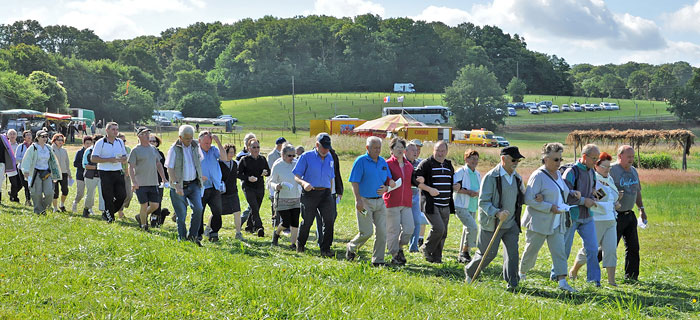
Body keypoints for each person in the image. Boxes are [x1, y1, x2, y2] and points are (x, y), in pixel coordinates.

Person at [518, 143, 580, 292]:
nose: (559, 163)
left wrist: (571, 193)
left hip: (557, 222)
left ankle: (562, 282)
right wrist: (549, 207)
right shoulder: (538, 175)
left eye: (560, 159)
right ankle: (520, 274)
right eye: (555, 159)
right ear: (545, 159)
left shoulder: (558, 174)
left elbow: (560, 192)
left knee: (560, 252)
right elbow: (529, 199)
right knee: (531, 251)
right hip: (539, 222)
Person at [465, 146, 525, 290]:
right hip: (493, 224)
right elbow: (483, 202)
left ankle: (513, 283)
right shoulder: (491, 177)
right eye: (513, 160)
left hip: (511, 224)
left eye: (518, 160)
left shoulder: (517, 178)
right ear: (503, 159)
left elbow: (521, 197)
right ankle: (470, 272)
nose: (516, 163)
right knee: (487, 254)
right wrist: (497, 212)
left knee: (512, 255)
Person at [570, 152, 620, 286]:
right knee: (589, 249)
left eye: (610, 167)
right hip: (596, 219)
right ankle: (574, 271)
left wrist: (615, 203)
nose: (608, 169)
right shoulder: (593, 178)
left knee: (611, 250)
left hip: (611, 219)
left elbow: (610, 197)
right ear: (596, 166)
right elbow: (595, 198)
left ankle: (611, 281)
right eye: (605, 167)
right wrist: (608, 203)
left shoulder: (609, 179)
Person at [346, 137, 394, 266]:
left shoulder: (383, 162)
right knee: (367, 232)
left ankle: (378, 260)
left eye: (379, 148)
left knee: (382, 232)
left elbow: (388, 179)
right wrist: (358, 200)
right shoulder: (360, 161)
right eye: (374, 148)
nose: (377, 150)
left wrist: (386, 187)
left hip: (380, 202)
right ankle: (352, 247)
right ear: (367, 148)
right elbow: (354, 182)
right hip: (365, 202)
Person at [558, 144, 601, 286]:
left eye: (598, 158)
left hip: (588, 217)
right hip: (572, 216)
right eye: (594, 158)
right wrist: (584, 201)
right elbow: (565, 195)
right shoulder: (571, 172)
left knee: (593, 249)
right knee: (564, 249)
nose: (596, 162)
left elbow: (592, 189)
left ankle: (594, 281)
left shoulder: (592, 172)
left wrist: (593, 197)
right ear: (584, 156)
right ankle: (556, 275)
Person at [293, 133, 337, 256]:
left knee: (329, 220)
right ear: (317, 145)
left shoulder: (330, 157)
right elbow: (296, 176)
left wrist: (332, 192)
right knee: (308, 221)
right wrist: (304, 183)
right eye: (324, 147)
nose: (326, 150)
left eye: (328, 147)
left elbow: (331, 177)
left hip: (326, 193)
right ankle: (300, 244)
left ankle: (325, 249)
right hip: (310, 193)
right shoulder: (306, 156)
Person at [415, 140, 456, 264]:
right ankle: (426, 248)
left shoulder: (449, 165)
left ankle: (437, 257)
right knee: (438, 228)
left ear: (446, 152)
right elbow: (415, 180)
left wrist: (457, 185)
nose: (440, 153)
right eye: (437, 150)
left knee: (443, 233)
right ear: (433, 150)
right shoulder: (426, 164)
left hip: (446, 203)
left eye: (443, 151)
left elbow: (452, 180)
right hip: (431, 204)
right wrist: (429, 188)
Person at [610, 145, 645, 282]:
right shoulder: (611, 170)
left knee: (633, 247)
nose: (631, 159)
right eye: (628, 157)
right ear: (620, 156)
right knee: (609, 247)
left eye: (633, 157)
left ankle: (631, 277)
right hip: (616, 215)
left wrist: (641, 208)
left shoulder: (634, 171)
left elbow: (637, 191)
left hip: (630, 215)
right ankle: (590, 264)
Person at [166, 125, 205, 246]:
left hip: (194, 184)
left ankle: (193, 237)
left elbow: (200, 160)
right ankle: (182, 238)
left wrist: (200, 177)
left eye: (191, 138)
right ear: (180, 137)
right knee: (181, 215)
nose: (189, 141)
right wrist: (177, 185)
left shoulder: (195, 146)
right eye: (187, 138)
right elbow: (170, 168)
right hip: (179, 185)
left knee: (198, 209)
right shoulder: (174, 149)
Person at [384, 138, 419, 265]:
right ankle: (394, 255)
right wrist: (388, 182)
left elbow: (412, 181)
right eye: (396, 147)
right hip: (392, 201)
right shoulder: (387, 164)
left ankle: (399, 247)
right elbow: (384, 179)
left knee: (409, 228)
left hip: (406, 202)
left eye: (401, 147)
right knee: (393, 230)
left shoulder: (409, 166)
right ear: (391, 150)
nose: (399, 149)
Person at [128, 127, 167, 232]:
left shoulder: (153, 149)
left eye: (148, 133)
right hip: (140, 183)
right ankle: (144, 225)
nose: (147, 135)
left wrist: (163, 178)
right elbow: (131, 167)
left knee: (155, 205)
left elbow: (158, 164)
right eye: (144, 133)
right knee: (144, 205)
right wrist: (134, 182)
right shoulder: (135, 150)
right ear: (139, 136)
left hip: (153, 182)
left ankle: (141, 216)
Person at [90, 122, 128, 223]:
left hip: (118, 171)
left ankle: (107, 212)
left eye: (117, 129)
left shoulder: (119, 142)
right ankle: (110, 218)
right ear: (107, 130)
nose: (116, 131)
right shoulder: (100, 142)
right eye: (113, 129)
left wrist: (123, 159)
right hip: (105, 172)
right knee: (108, 196)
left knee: (122, 195)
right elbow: (93, 158)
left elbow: (125, 157)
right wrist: (108, 159)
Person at [268, 144, 302, 248]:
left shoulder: (296, 164)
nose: (292, 158)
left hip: (295, 197)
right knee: (286, 222)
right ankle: (277, 233)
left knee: (295, 222)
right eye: (289, 156)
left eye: (293, 155)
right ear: (283, 155)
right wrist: (276, 186)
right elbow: (271, 181)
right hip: (282, 198)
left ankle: (293, 244)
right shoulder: (277, 165)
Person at [20, 130, 62, 214]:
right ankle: (39, 211)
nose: (45, 138)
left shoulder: (48, 148)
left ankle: (43, 207)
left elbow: (53, 161)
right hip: (35, 173)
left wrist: (55, 174)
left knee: (49, 193)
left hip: (46, 173)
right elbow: (26, 160)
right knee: (36, 193)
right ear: (37, 138)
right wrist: (26, 171)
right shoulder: (33, 148)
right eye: (42, 136)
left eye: (46, 136)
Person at [453, 149, 481, 264]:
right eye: (471, 158)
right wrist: (468, 192)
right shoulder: (461, 172)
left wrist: (477, 193)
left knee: (467, 229)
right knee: (473, 227)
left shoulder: (478, 174)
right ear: (466, 159)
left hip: (473, 205)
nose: (474, 161)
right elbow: (455, 187)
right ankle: (465, 252)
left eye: (476, 159)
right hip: (461, 205)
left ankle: (463, 254)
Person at [237, 139, 270, 237]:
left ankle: (249, 226)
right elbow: (238, 173)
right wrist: (248, 178)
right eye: (254, 147)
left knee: (255, 208)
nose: (256, 149)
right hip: (248, 187)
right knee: (254, 206)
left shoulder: (262, 159)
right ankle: (259, 227)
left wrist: (266, 173)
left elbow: (269, 171)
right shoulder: (244, 160)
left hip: (260, 186)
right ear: (248, 148)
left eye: (258, 147)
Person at [197, 131, 225, 242]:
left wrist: (218, 142)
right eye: (205, 143)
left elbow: (224, 157)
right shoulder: (195, 151)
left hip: (214, 185)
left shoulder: (214, 150)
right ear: (199, 141)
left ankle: (214, 232)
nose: (208, 145)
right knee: (200, 210)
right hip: (201, 186)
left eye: (209, 143)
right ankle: (198, 234)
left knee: (217, 211)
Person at [315, 146, 343, 249]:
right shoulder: (313, 156)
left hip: (332, 191)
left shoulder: (333, 155)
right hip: (318, 190)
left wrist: (339, 190)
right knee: (320, 217)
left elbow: (337, 173)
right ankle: (321, 241)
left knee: (332, 215)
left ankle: (325, 238)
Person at [405, 141, 427, 253]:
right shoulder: (402, 163)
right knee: (404, 223)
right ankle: (398, 244)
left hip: (416, 196)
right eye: (414, 150)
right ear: (406, 151)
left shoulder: (420, 163)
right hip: (404, 196)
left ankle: (414, 247)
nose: (416, 152)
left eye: (418, 150)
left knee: (417, 221)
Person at [219, 143, 243, 239]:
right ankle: (208, 228)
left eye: (233, 152)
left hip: (233, 192)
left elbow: (239, 175)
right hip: (222, 193)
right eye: (230, 152)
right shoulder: (219, 163)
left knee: (237, 212)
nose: (232, 154)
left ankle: (238, 233)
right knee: (217, 213)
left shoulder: (235, 164)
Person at [149, 135, 170, 227]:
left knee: (158, 201)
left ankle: (156, 220)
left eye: (153, 141)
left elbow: (165, 168)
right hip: (146, 181)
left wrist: (166, 180)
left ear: (157, 143)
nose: (151, 143)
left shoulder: (160, 154)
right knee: (148, 202)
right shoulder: (141, 152)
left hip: (158, 181)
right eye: (149, 141)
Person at [82, 134, 105, 217]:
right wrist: (97, 167)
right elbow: (85, 165)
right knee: (90, 194)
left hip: (102, 176)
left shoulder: (104, 151)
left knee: (103, 194)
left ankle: (104, 212)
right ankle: (86, 208)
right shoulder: (88, 151)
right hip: (90, 176)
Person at [267, 137, 286, 228]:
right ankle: (275, 221)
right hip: (274, 182)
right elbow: (271, 170)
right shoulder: (271, 155)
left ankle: (283, 222)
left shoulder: (286, 154)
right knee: (274, 203)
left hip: (284, 182)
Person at [50, 133, 71, 212]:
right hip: (54, 174)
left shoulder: (64, 150)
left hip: (63, 173)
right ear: (54, 140)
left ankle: (62, 205)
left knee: (65, 190)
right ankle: (55, 208)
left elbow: (67, 162)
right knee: (55, 192)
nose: (60, 141)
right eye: (58, 140)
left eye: (62, 140)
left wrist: (69, 173)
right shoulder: (51, 149)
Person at [71, 136, 93, 212]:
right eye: (87, 143)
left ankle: (89, 208)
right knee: (80, 193)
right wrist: (85, 165)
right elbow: (75, 164)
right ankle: (75, 203)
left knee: (90, 193)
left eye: (90, 143)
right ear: (83, 143)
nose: (88, 145)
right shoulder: (79, 152)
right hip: (80, 175)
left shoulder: (93, 152)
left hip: (90, 175)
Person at [116, 133, 133, 219]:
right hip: (117, 174)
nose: (123, 142)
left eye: (124, 141)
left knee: (129, 195)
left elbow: (130, 162)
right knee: (120, 194)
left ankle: (120, 207)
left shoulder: (128, 149)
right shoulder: (115, 149)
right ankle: (120, 211)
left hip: (127, 174)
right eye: (121, 141)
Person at [1, 131, 18, 204]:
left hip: (2, 163)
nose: (12, 135)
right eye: (10, 134)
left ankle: (13, 196)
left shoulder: (3, 139)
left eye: (14, 134)